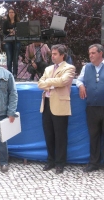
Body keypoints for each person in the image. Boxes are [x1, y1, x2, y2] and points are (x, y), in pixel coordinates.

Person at [38, 44, 75, 174]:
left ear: (62, 55)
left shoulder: (69, 68)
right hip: (46, 103)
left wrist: (49, 82)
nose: (52, 56)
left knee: (60, 136)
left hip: (60, 104)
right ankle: (50, 161)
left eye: (55, 54)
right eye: (52, 54)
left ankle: (60, 163)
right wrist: (52, 83)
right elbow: (40, 83)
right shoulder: (48, 68)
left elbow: (63, 81)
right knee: (48, 134)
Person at [76, 44, 104, 172]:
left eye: (93, 53)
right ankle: (94, 163)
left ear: (100, 53)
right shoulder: (86, 67)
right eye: (89, 53)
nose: (90, 55)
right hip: (92, 107)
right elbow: (78, 80)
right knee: (93, 136)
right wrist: (81, 85)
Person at [3, 7, 21, 79]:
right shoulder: (5, 22)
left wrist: (9, 30)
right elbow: (4, 31)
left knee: (15, 58)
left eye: (12, 12)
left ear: (15, 13)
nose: (11, 14)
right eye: (9, 12)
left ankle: (15, 74)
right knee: (9, 58)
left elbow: (19, 31)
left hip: (17, 41)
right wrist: (12, 31)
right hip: (8, 41)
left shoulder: (18, 22)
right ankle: (9, 74)